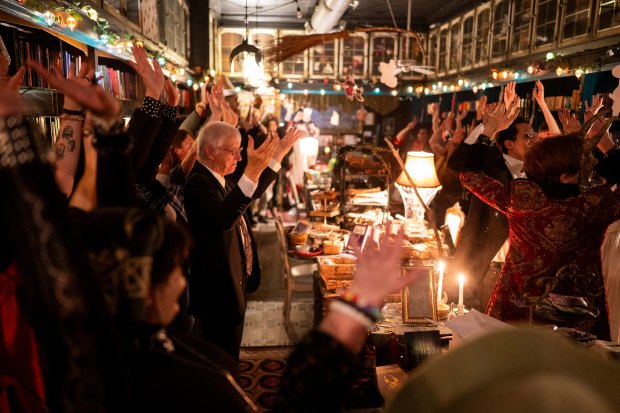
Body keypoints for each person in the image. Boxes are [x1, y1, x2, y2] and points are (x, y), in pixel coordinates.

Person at [454, 101, 619, 339]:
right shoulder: (596, 205)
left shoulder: (523, 198)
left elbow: (468, 174)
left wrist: (488, 130)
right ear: (565, 176)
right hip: (578, 317)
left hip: (517, 310)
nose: (588, 168)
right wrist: (607, 147)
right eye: (582, 165)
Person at [184, 121, 303, 359]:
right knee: (221, 359)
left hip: (231, 287)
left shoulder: (219, 177)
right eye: (233, 151)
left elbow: (251, 192)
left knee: (230, 354)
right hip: (217, 294)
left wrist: (277, 155)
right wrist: (251, 171)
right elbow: (222, 219)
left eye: (240, 151)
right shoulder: (199, 183)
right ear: (210, 151)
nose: (239, 158)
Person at [448, 98, 535, 311]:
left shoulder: (538, 172)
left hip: (523, 273)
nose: (534, 139)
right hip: (490, 266)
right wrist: (488, 129)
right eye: (528, 136)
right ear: (509, 144)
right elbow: (458, 164)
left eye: (534, 134)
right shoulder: (491, 164)